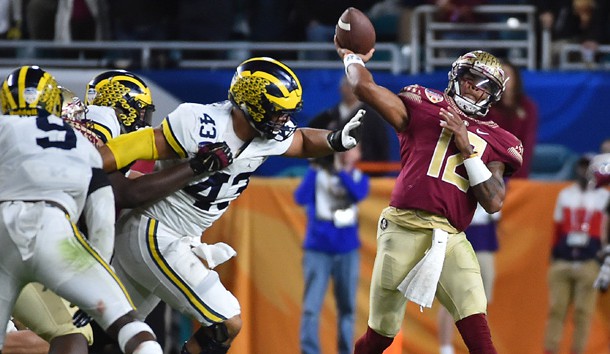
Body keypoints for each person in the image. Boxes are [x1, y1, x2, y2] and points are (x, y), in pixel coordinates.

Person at [92, 56, 364, 353]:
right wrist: (89, 154)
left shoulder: (267, 133)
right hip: (155, 232)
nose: (284, 121)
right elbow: (136, 146)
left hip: (175, 236)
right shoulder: (201, 124)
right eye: (278, 113)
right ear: (252, 106)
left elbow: (300, 141)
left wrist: (336, 140)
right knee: (227, 321)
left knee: (103, 334)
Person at [335, 40, 523, 353]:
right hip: (404, 227)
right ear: (455, 76)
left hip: (450, 237)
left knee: (480, 336)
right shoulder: (423, 103)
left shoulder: (499, 140)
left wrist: (466, 148)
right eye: (468, 78)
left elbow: (493, 202)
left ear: (492, 94)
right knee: (380, 335)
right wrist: (352, 55)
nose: (472, 87)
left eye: (483, 85)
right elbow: (363, 87)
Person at [0, 65, 163, 353]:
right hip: (54, 235)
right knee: (109, 327)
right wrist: (94, 272)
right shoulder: (84, 138)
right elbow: (103, 213)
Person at [294, 146, 370, 354]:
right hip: (317, 249)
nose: (347, 153)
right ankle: (309, 351)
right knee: (311, 307)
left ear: (358, 155)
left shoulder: (358, 177)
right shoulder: (318, 175)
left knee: (347, 308)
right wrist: (315, 167)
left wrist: (341, 171)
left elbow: (357, 194)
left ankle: (346, 350)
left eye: (352, 149)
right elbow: (300, 198)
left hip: (347, 250)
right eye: (344, 149)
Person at [543, 156, 609, 354]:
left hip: (589, 261)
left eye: (588, 169)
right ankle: (550, 350)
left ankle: (577, 351)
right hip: (563, 259)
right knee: (556, 309)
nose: (584, 173)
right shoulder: (565, 194)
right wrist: (553, 257)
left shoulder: (603, 197)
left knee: (583, 313)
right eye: (581, 168)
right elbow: (557, 227)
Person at [437, 203, 500, 354]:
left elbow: (495, 208)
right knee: (450, 299)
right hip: (458, 234)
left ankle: (481, 347)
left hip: (483, 238)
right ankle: (446, 349)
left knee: (481, 303)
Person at [308, 75, 390, 173]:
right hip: (329, 174)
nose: (351, 88)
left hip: (365, 174)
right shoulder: (328, 116)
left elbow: (381, 150)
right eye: (347, 84)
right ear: (340, 88)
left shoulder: (373, 118)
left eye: (354, 85)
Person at [486, 59, 538, 179]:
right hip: (490, 168)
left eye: (507, 75)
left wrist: (519, 172)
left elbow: (527, 143)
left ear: (515, 79)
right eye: (500, 75)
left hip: (517, 167)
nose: (504, 79)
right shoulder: (487, 106)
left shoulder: (527, 107)